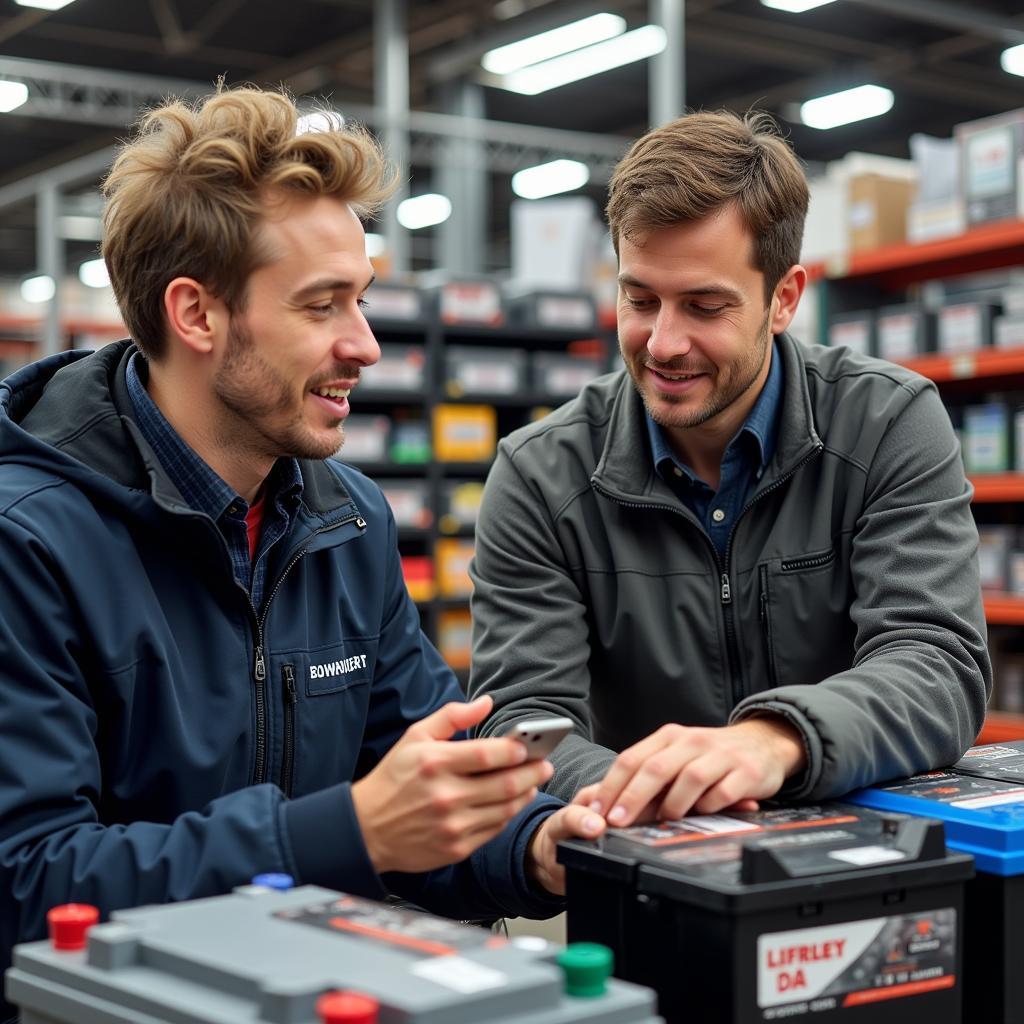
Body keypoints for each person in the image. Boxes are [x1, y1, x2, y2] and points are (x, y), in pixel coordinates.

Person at [0, 86, 605, 1018]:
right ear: (197, 315)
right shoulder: (27, 541)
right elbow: (28, 883)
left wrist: (532, 848)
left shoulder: (347, 521)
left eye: (360, 300)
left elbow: (415, 789)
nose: (364, 345)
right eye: (323, 305)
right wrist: (342, 833)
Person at [469, 110, 990, 829]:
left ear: (784, 299)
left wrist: (775, 740)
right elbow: (525, 718)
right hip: (641, 862)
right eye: (639, 298)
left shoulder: (887, 424)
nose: (663, 341)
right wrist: (654, 791)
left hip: (863, 857)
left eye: (705, 306)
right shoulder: (540, 476)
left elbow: (936, 666)